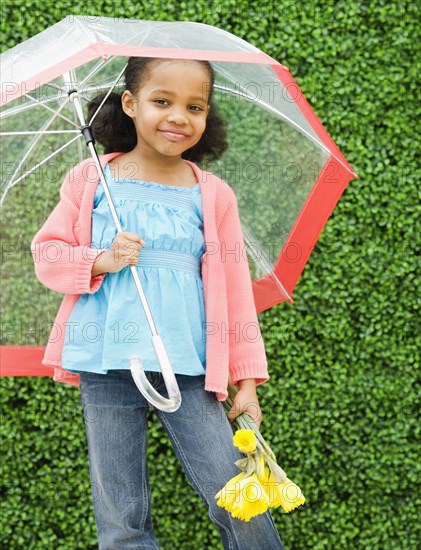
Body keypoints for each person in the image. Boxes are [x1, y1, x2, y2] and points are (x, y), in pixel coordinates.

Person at [31, 56, 284, 550]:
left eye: (195, 106)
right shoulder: (90, 180)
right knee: (120, 512)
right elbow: (49, 254)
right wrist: (102, 259)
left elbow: (233, 294)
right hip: (105, 359)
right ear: (130, 103)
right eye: (162, 101)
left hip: (187, 364)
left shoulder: (212, 195)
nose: (178, 116)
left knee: (237, 496)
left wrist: (247, 381)